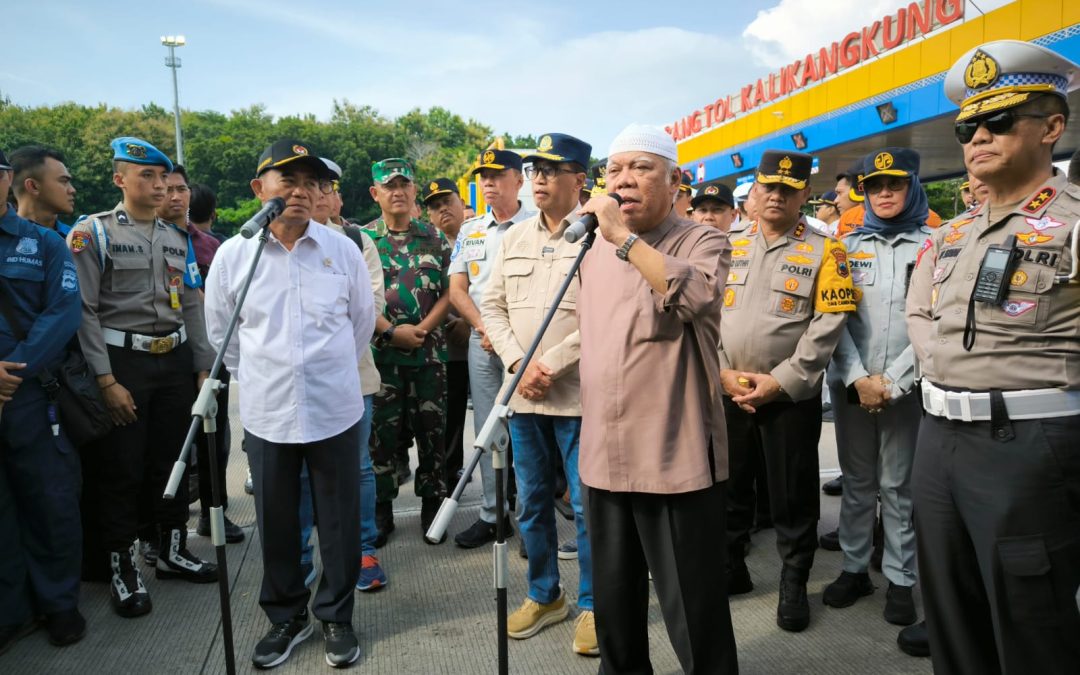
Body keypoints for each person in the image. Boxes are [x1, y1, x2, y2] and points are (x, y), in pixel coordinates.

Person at [905, 40, 1080, 674]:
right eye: (967, 126)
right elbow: (918, 311)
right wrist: (947, 373)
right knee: (951, 612)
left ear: (1051, 128)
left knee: (1033, 622)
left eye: (999, 121)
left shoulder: (1074, 223)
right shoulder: (952, 231)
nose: (978, 136)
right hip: (939, 434)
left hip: (1030, 441)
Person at [205, 139, 374, 668]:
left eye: (311, 181)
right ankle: (286, 617)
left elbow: (360, 325)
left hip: (334, 408)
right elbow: (222, 336)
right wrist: (266, 376)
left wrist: (320, 372)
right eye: (287, 180)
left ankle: (337, 617)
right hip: (268, 411)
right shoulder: (235, 254)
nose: (300, 191)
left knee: (340, 521)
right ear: (259, 190)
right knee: (276, 522)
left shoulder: (341, 248)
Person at [577, 124, 738, 673]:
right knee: (615, 606)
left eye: (641, 168)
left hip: (673, 451)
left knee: (692, 607)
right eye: (615, 170)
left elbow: (692, 295)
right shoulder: (590, 249)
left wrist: (623, 239)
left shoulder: (702, 239)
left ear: (675, 180)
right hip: (604, 447)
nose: (625, 180)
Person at [67, 137, 217, 619]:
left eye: (163, 177)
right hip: (122, 363)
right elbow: (84, 311)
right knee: (121, 471)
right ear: (120, 179)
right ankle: (122, 567)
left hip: (173, 363)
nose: (158, 186)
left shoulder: (178, 239)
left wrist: (203, 368)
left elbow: (192, 305)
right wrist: (106, 381)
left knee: (172, 464)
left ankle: (172, 551)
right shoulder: (94, 233)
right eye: (146, 176)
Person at [719, 150, 855, 632]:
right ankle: (731, 567)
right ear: (754, 192)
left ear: (804, 195)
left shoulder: (825, 250)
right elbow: (708, 315)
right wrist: (720, 372)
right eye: (767, 187)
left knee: (792, 495)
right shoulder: (727, 244)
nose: (775, 196)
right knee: (731, 487)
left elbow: (829, 324)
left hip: (788, 396)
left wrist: (781, 381)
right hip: (729, 390)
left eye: (787, 189)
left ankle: (794, 580)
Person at [481, 133, 597, 656]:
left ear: (580, 178)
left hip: (577, 397)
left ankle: (596, 604)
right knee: (530, 503)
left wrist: (550, 362)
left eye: (554, 169)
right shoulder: (514, 238)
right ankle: (545, 595)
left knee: (589, 505)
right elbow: (493, 307)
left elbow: (604, 316)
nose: (541, 178)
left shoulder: (599, 238)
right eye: (535, 170)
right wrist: (515, 361)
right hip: (524, 398)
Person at [823, 147, 928, 628]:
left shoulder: (936, 244)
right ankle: (853, 567)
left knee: (899, 486)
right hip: (853, 386)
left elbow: (936, 322)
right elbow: (833, 318)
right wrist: (858, 377)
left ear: (912, 187)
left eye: (895, 184)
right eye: (874, 186)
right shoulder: (845, 247)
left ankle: (901, 577)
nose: (884, 193)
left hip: (907, 389)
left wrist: (894, 381)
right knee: (858, 483)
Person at [0, 149, 85, 652]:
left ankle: (58, 603)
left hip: (31, 395)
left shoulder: (44, 243)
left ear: (9, 179)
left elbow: (63, 312)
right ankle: (11, 610)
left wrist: (14, 373)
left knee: (49, 501)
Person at [362, 157, 451, 544]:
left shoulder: (434, 238)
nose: (397, 191)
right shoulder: (361, 239)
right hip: (381, 359)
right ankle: (382, 510)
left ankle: (433, 502)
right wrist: (390, 333)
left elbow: (452, 290)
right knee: (380, 439)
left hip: (429, 357)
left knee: (433, 435)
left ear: (415, 190)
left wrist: (423, 329)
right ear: (375, 193)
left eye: (404, 184)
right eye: (389, 185)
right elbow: (358, 296)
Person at [155, 166, 244, 549]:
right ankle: (158, 527)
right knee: (167, 444)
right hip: (165, 357)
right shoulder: (142, 241)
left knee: (215, 440)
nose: (176, 196)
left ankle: (215, 511)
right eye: (168, 189)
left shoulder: (212, 247)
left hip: (212, 355)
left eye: (182, 189)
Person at [448, 148, 532, 548]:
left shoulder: (537, 225)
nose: (488, 182)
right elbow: (457, 290)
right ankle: (492, 515)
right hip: (483, 342)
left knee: (529, 431)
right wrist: (485, 327)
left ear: (519, 180)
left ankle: (533, 520)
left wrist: (503, 335)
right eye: (484, 176)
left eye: (497, 175)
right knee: (486, 429)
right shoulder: (470, 230)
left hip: (527, 346)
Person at [423, 177, 469, 484]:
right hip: (443, 350)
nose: (443, 211)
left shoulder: (480, 235)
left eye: (447, 202)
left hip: (484, 341)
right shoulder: (423, 244)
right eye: (435, 207)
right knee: (449, 419)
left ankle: (507, 485)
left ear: (462, 203)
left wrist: (470, 321)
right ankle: (450, 477)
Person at [10, 145, 76, 236]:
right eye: (63, 181)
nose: (72, 190)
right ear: (33, 186)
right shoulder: (4, 240)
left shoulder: (74, 239)